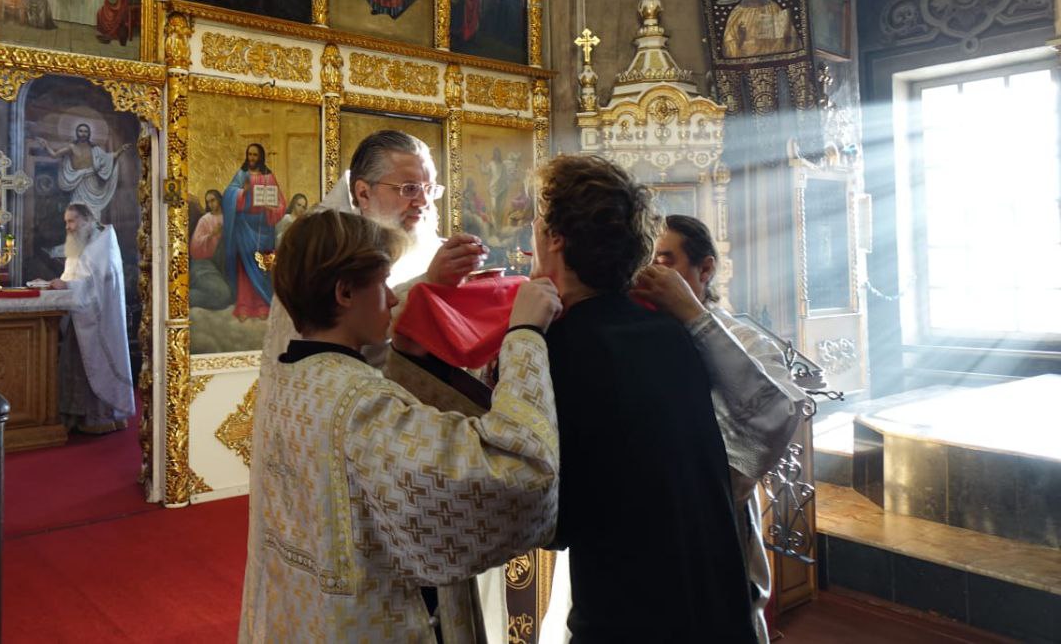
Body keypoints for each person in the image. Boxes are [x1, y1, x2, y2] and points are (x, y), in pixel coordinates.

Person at [240, 209, 562, 642]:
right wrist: (525, 334)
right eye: (383, 284)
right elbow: (516, 472)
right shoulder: (361, 405)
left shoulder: (289, 378)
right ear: (345, 293)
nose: (393, 299)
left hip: (303, 613)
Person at [530, 154, 756, 642]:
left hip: (631, 612)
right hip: (713, 602)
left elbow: (554, 517)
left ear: (554, 238)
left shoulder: (557, 346)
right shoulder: (669, 329)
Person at [634, 215, 809, 644]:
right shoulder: (632, 335)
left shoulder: (745, 341)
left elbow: (777, 414)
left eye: (665, 261)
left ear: (705, 269)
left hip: (714, 524)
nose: (652, 274)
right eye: (645, 262)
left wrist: (692, 315)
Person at [48, 203, 134, 434]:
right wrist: (61, 283)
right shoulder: (83, 243)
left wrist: (67, 286)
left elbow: (96, 286)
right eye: (66, 222)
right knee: (74, 366)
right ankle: (77, 418)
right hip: (80, 316)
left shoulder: (102, 245)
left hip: (98, 322)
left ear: (87, 219)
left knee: (91, 365)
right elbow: (75, 274)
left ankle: (99, 419)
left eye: (72, 221)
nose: (68, 227)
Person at [221, 143, 286, 320]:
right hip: (244, 226)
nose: (251, 158)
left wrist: (272, 208)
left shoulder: (269, 177)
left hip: (264, 228)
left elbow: (281, 203)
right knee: (244, 267)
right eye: (249, 154)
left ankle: (262, 304)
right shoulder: (242, 175)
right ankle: (244, 305)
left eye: (255, 155)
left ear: (261, 157)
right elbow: (228, 195)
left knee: (262, 266)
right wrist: (242, 192)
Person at [35, 122, 130, 215]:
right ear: (77, 133)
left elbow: (109, 158)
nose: (83, 134)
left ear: (89, 134)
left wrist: (121, 150)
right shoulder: (72, 147)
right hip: (78, 182)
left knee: (93, 212)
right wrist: (46, 146)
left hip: (92, 183)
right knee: (79, 210)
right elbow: (55, 155)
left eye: (85, 131)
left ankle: (94, 224)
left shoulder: (95, 149)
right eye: (81, 131)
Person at [722, 0, 799, 59]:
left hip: (773, 55)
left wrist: (786, 29)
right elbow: (729, 44)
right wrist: (740, 39)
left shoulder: (773, 7)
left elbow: (789, 38)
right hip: (747, 59)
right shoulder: (737, 13)